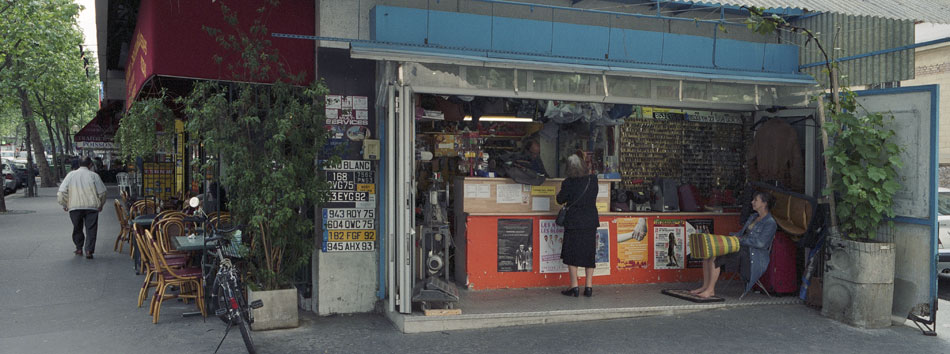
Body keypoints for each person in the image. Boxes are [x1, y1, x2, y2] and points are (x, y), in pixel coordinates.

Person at [690, 191, 776, 298]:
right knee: (708, 253)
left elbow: (760, 243)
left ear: (764, 203)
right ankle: (705, 286)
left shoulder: (770, 223)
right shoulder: (753, 217)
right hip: (742, 249)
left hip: (753, 256)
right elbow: (741, 234)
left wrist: (739, 240)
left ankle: (710, 290)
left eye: (755, 200)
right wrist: (730, 238)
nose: (752, 202)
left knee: (717, 256)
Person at [556, 153, 599, 297]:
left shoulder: (568, 183)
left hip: (574, 222)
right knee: (589, 252)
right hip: (590, 221)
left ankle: (574, 286)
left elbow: (560, 199)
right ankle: (589, 286)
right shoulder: (593, 180)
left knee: (572, 252)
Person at [57, 157, 107, 259]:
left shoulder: (70, 175)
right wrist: (100, 204)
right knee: (91, 229)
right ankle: (89, 250)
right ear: (90, 165)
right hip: (91, 206)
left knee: (77, 227)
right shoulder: (94, 176)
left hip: (74, 206)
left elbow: (61, 192)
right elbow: (102, 192)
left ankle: (79, 248)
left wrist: (65, 204)